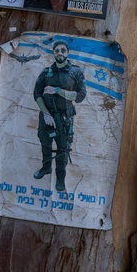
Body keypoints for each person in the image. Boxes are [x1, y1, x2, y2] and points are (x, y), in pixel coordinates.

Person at [32, 40, 86, 192]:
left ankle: (60, 179)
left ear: (67, 53)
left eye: (63, 50)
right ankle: (46, 167)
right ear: (53, 53)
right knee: (45, 143)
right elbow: (36, 94)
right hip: (47, 117)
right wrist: (45, 113)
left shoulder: (76, 72)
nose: (60, 53)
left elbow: (80, 96)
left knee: (63, 149)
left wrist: (57, 91)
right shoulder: (46, 72)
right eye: (57, 50)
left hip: (64, 118)